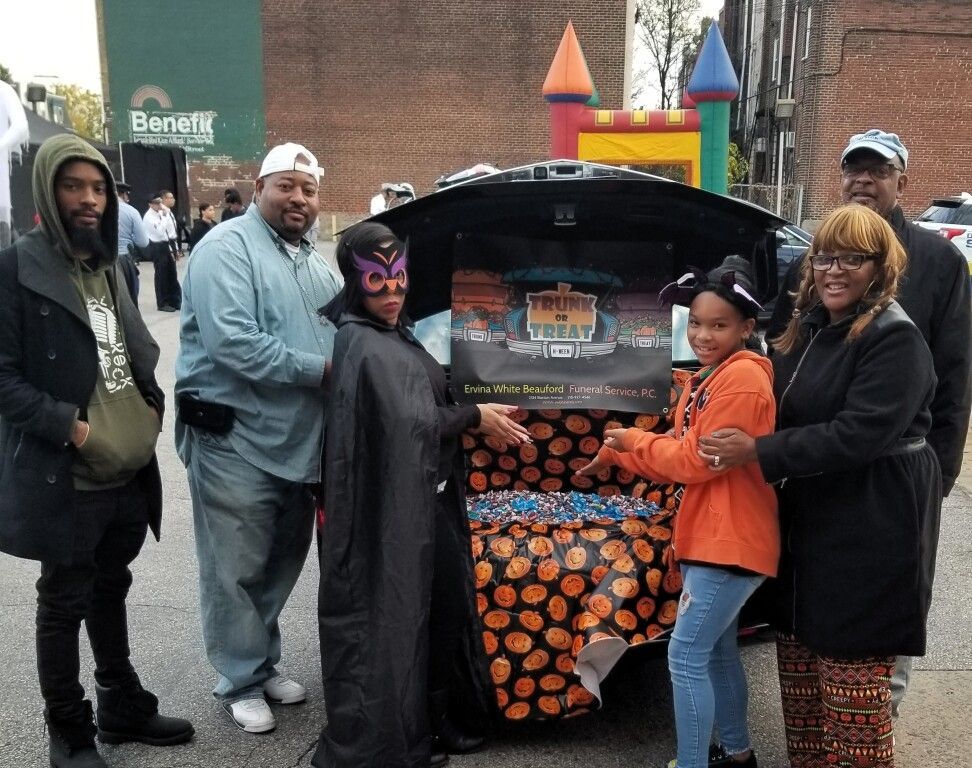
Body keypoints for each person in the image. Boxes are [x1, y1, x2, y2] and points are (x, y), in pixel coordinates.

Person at [701, 204, 942, 768]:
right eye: (825, 257)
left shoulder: (894, 339)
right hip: (812, 516)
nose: (835, 270)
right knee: (803, 681)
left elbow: (856, 435)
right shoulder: (809, 328)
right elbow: (775, 399)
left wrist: (756, 452)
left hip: (872, 520)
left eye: (852, 259)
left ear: (881, 267)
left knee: (851, 684)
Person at [0, 134, 193, 768]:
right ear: (47, 190)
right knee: (63, 603)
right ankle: (69, 730)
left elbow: (128, 351)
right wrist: (73, 429)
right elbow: (3, 378)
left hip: (130, 471)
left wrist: (149, 405)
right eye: (73, 186)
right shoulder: (15, 269)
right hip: (71, 474)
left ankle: (120, 704)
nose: (89, 199)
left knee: (111, 588)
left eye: (98, 187)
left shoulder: (110, 263)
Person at [766, 130, 971, 716]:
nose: (863, 180)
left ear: (902, 181)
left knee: (875, 625)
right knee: (818, 614)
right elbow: (782, 350)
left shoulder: (938, 262)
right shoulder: (812, 259)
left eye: (877, 171)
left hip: (886, 474)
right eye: (853, 169)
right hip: (817, 471)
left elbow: (954, 375)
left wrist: (938, 476)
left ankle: (879, 717)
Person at [313, 222, 530, 768]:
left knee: (440, 611)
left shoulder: (392, 334)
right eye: (377, 280)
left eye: (399, 278)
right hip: (392, 514)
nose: (392, 292)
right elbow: (409, 422)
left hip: (423, 501)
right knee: (401, 620)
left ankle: (435, 721)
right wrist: (474, 416)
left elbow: (421, 402)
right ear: (355, 281)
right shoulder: (362, 342)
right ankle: (401, 737)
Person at [576, 272, 778, 768]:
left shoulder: (743, 380)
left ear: (746, 327)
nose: (703, 336)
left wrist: (631, 440)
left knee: (684, 656)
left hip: (728, 539)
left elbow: (694, 462)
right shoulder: (713, 376)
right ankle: (738, 754)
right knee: (717, 652)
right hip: (714, 535)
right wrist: (618, 453)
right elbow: (676, 453)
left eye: (719, 326)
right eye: (696, 324)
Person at [174, 142, 341, 735]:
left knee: (277, 563)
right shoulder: (226, 248)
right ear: (259, 187)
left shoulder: (315, 261)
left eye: (309, 190)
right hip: (234, 440)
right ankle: (239, 680)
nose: (298, 198)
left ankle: (259, 663)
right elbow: (233, 343)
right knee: (236, 568)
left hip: (297, 444)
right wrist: (324, 371)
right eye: (286, 185)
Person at [142, 192, 181, 311]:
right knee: (161, 275)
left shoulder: (162, 211)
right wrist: (164, 217)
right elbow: (159, 232)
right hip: (156, 246)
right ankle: (162, 303)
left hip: (166, 244)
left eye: (160, 202)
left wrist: (174, 247)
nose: (159, 205)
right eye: (156, 203)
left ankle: (175, 300)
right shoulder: (148, 217)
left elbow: (170, 229)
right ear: (150, 204)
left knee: (172, 273)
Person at [115, 181, 149, 303]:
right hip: (123, 259)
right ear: (123, 194)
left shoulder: (97, 209)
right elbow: (143, 242)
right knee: (129, 301)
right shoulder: (131, 211)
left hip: (101, 261)